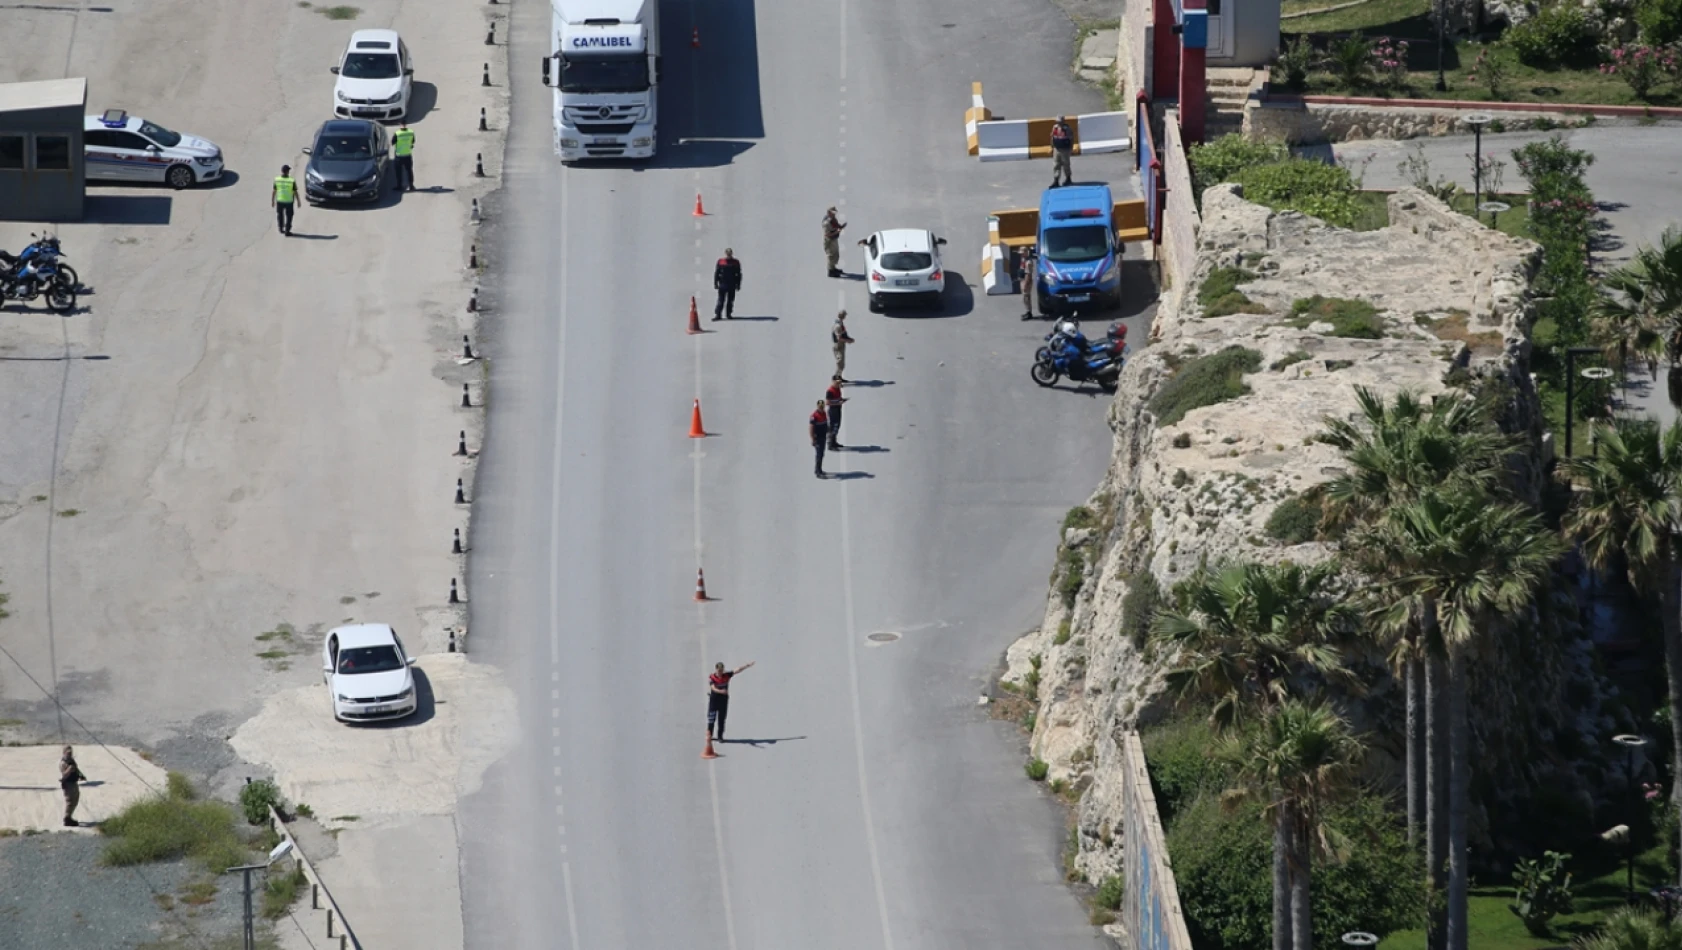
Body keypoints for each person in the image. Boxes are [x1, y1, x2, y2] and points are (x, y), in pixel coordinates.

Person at [708, 660, 754, 742]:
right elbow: (713, 688)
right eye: (719, 670)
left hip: (723, 701)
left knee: (721, 719)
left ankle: (720, 736)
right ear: (716, 670)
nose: (720, 672)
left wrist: (747, 665)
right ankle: (709, 735)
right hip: (714, 700)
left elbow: (737, 670)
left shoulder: (727, 675)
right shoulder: (712, 677)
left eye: (721, 670)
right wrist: (721, 691)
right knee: (711, 718)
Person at [713, 248, 742, 320]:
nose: (728, 255)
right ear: (725, 254)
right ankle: (718, 315)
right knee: (720, 300)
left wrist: (738, 284)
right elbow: (717, 273)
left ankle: (728, 314)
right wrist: (715, 283)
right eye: (727, 253)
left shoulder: (736, 262)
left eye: (730, 253)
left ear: (732, 254)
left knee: (730, 300)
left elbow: (738, 274)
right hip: (722, 284)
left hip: (732, 284)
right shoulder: (721, 261)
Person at [60, 746, 86, 827]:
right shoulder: (63, 763)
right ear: (64, 753)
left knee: (75, 799)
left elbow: (77, 769)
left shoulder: (71, 760)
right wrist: (69, 769)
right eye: (68, 753)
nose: (69, 754)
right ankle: (67, 818)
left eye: (70, 753)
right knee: (70, 801)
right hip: (68, 784)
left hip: (74, 783)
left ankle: (69, 816)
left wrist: (81, 775)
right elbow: (64, 774)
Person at [272, 165, 298, 236]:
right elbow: (295, 191)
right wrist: (298, 201)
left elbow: (274, 191)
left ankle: (280, 228)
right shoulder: (291, 180)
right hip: (289, 201)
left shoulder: (277, 179)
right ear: (287, 172)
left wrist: (272, 201)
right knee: (289, 216)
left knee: (280, 215)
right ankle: (287, 230)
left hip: (280, 200)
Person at [1050, 116, 1074, 188]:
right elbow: (1052, 136)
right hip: (1057, 148)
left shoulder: (1067, 129)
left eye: (1060, 121)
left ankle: (1068, 178)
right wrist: (1052, 146)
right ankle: (1056, 180)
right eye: (1057, 121)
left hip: (1065, 149)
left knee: (1066, 164)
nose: (1059, 123)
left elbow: (1071, 139)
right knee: (1056, 164)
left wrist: (1071, 148)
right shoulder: (1055, 128)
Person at [831, 310, 855, 383]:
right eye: (844, 315)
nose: (845, 317)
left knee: (842, 363)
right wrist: (848, 341)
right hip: (838, 346)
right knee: (840, 363)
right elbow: (839, 338)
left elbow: (843, 334)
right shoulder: (838, 326)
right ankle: (835, 378)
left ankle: (839, 377)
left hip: (841, 345)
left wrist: (848, 338)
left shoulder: (840, 323)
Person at [823, 207, 847, 277]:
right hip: (829, 241)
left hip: (834, 239)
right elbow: (827, 234)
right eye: (833, 213)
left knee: (835, 254)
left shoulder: (833, 219)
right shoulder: (827, 223)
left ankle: (834, 268)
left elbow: (836, 225)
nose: (834, 214)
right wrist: (837, 231)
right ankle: (831, 271)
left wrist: (841, 227)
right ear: (829, 213)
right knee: (831, 255)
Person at [809, 399, 831, 478]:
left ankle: (819, 469)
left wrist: (828, 431)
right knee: (819, 454)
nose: (821, 408)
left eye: (822, 407)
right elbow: (811, 428)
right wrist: (813, 439)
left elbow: (825, 423)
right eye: (820, 407)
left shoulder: (824, 413)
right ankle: (818, 471)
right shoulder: (814, 416)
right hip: (817, 438)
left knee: (822, 454)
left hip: (823, 436)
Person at [392, 121, 416, 192]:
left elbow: (392, 142)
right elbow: (413, 141)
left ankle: (399, 186)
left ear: (400, 125)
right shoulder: (411, 132)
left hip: (399, 155)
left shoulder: (397, 133)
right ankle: (411, 185)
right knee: (409, 171)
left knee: (399, 171)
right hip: (408, 155)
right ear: (406, 125)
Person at [825, 376, 848, 450]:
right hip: (833, 411)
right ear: (833, 381)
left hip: (838, 409)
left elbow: (838, 397)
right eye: (837, 382)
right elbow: (828, 403)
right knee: (833, 427)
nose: (839, 383)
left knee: (837, 426)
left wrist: (842, 400)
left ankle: (834, 442)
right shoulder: (830, 391)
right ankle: (830, 444)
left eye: (839, 382)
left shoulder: (837, 388)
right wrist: (838, 403)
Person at [1018, 246, 1037, 321]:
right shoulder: (1023, 259)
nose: (1021, 255)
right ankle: (1027, 311)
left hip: (1026, 281)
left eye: (1022, 253)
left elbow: (1028, 274)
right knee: (1024, 298)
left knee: (1026, 298)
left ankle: (1029, 313)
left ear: (1026, 253)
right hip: (1023, 280)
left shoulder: (1028, 262)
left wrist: (1025, 284)